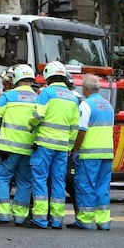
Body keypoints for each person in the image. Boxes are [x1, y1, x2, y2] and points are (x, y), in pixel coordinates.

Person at [27, 61, 80, 229]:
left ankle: (40, 219)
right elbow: (75, 127)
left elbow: (38, 115)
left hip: (44, 144)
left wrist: (31, 125)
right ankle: (57, 220)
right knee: (58, 181)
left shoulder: (47, 93)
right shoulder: (73, 97)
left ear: (47, 77)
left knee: (40, 179)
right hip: (63, 147)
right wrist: (70, 145)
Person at [0, 64, 37, 226]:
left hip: (7, 148)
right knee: (25, 181)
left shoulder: (7, 96)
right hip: (29, 149)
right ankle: (20, 216)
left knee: (1, 178)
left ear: (16, 78)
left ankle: (2, 213)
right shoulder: (37, 98)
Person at [67, 74, 114, 231]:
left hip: (89, 154)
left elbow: (81, 130)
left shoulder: (86, 105)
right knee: (103, 187)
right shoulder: (108, 105)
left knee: (85, 186)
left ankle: (85, 220)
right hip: (107, 154)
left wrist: (75, 149)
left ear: (85, 88)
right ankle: (103, 221)